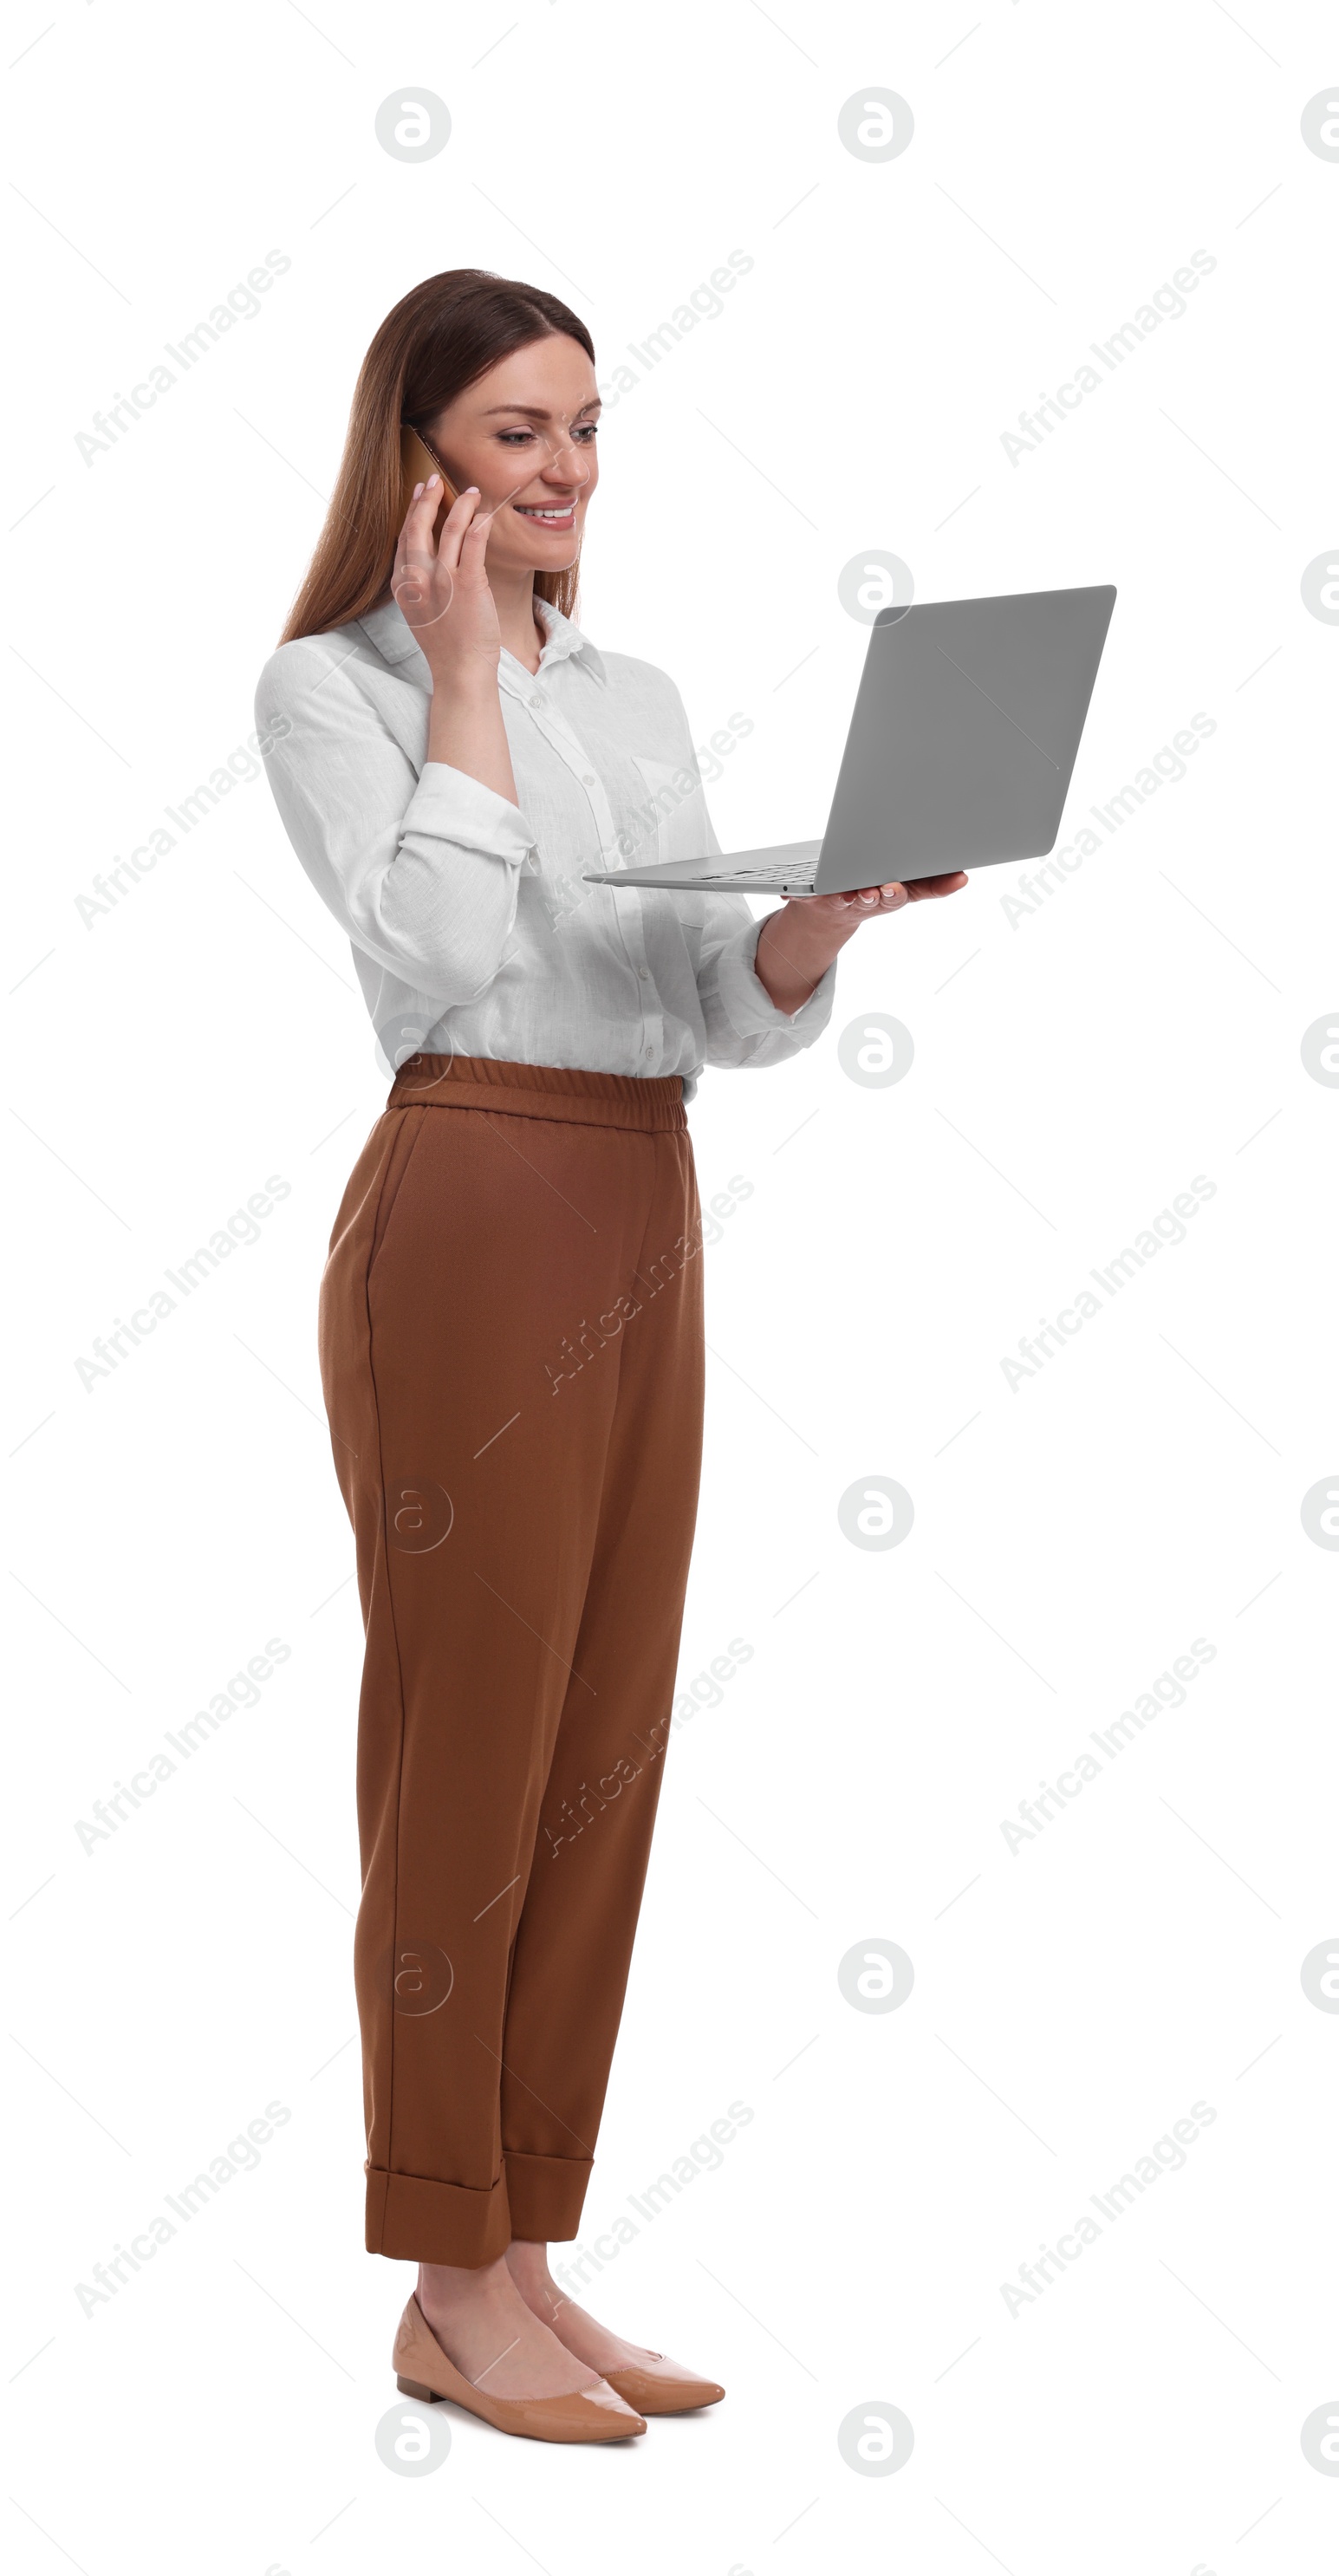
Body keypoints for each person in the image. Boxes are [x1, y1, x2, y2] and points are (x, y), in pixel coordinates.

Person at [255, 267, 965, 2446]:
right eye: (514, 435)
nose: (564, 470)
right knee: (460, 1744)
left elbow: (690, 1005)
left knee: (595, 1736)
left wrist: (812, 926)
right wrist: (463, 673)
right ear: (419, 467)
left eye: (581, 427)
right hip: (467, 1199)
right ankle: (439, 2269)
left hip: (639, 1195)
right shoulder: (329, 690)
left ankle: (525, 2251)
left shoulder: (639, 691)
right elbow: (442, 950)